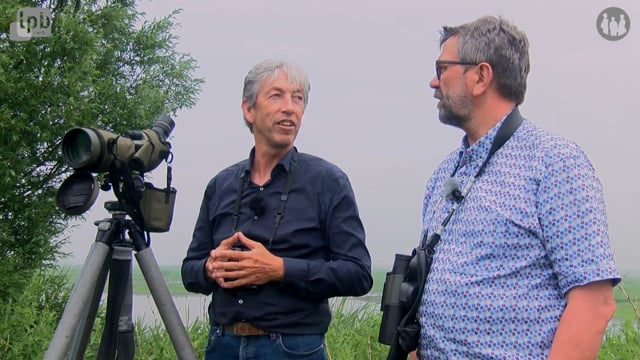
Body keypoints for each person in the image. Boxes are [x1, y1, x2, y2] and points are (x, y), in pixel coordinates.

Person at [413, 15, 620, 359]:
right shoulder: (443, 173)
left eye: (442, 68)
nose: (433, 82)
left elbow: (594, 303)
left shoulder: (554, 163)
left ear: (480, 76)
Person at [181, 59, 373, 359]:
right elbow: (189, 270)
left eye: (298, 98)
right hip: (222, 344)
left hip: (293, 348)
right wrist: (209, 268)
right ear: (249, 110)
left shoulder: (328, 182)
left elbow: (358, 274)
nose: (290, 107)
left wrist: (279, 269)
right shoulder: (220, 185)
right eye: (277, 95)